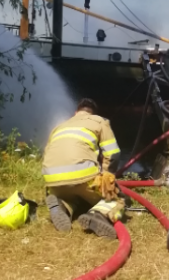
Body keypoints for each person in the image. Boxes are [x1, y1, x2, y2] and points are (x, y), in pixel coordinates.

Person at [42, 98, 124, 239]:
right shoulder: (99, 121)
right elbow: (113, 154)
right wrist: (106, 177)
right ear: (92, 114)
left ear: (76, 112)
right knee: (118, 198)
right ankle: (98, 215)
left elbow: (47, 155)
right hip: (83, 177)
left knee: (73, 196)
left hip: (53, 181)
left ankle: (62, 204)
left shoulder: (60, 126)